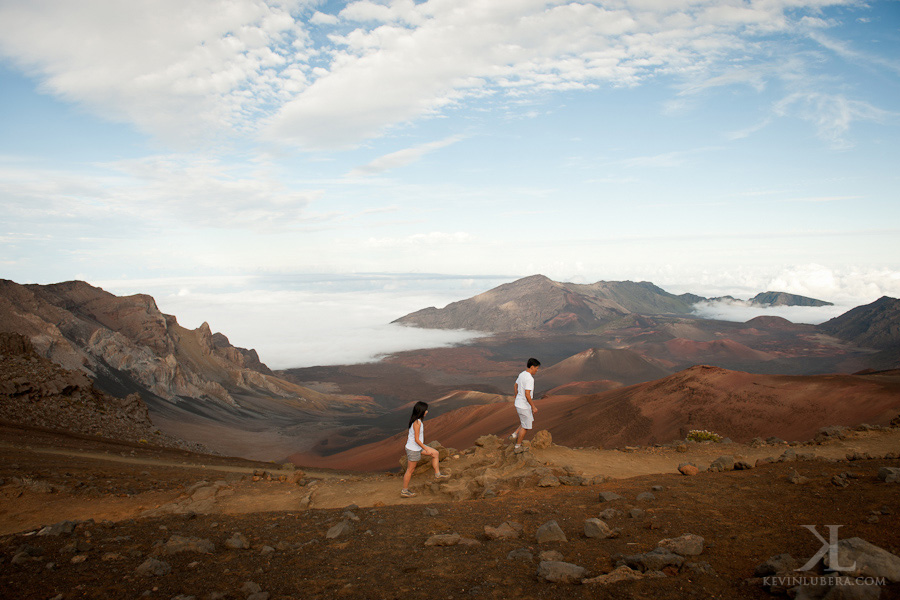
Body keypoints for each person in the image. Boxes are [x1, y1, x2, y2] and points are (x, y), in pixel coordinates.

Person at [401, 401, 449, 498]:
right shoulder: (417, 423)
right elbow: (417, 439)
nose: (427, 411)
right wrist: (425, 448)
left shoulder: (417, 420)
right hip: (413, 449)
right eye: (426, 410)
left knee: (435, 453)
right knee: (410, 470)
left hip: (417, 447)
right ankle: (404, 491)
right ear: (421, 411)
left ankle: (437, 474)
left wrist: (423, 447)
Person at [509, 358, 541, 449]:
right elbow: (527, 394)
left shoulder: (522, 374)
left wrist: (517, 396)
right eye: (536, 368)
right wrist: (533, 407)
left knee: (527, 420)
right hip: (524, 405)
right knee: (526, 427)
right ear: (532, 367)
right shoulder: (530, 379)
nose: (537, 370)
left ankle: (515, 434)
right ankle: (518, 447)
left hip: (519, 403)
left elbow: (515, 385)